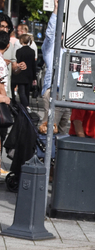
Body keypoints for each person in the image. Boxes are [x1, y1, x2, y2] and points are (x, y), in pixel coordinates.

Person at [41, 0, 71, 133]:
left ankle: (57, 154)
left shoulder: (72, 52)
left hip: (69, 95)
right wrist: (56, 10)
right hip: (55, 91)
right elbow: (50, 34)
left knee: (63, 132)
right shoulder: (51, 49)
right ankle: (43, 153)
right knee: (49, 129)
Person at [0, 32, 14, 180]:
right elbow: (1, 85)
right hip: (1, 101)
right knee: (1, 134)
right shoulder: (1, 62)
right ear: (8, 45)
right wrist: (5, 99)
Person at [13, 34, 36, 109]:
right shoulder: (32, 51)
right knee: (27, 92)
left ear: (21, 41)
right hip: (29, 74)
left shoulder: (19, 51)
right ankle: (26, 107)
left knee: (21, 92)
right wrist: (34, 77)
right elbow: (33, 65)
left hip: (21, 74)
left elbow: (17, 63)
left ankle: (26, 106)